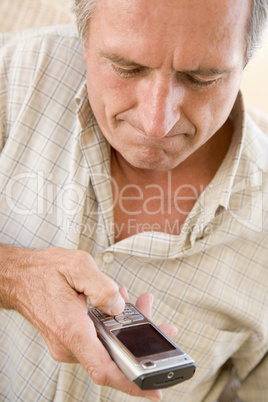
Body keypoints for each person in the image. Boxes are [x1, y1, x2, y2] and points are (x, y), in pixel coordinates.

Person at [0, 0, 268, 400]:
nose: (156, 123)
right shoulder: (15, 72)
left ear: (245, 61)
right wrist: (15, 277)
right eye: (127, 67)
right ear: (85, 39)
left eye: (201, 77)